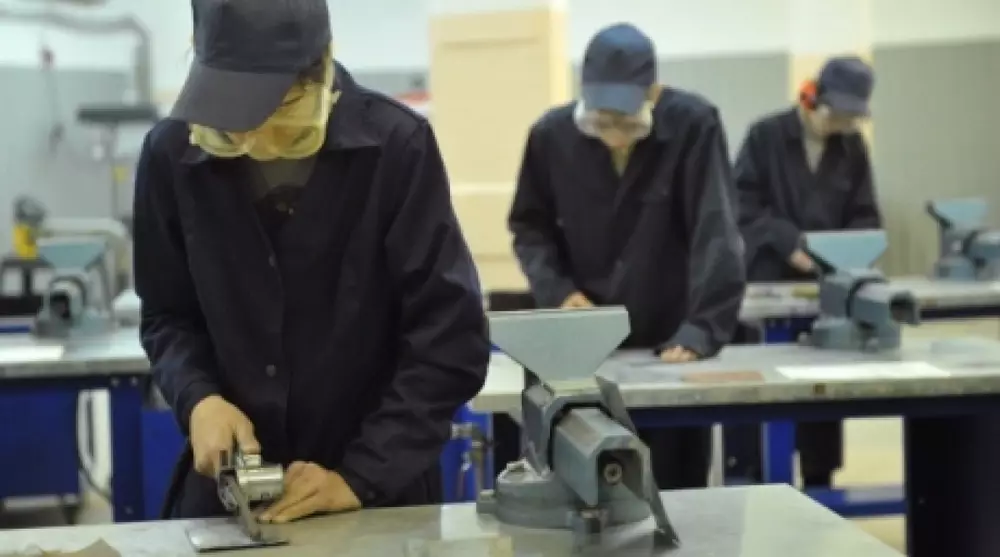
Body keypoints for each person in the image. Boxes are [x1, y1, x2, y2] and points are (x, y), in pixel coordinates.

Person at [135, 0, 489, 522]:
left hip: (375, 495)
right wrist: (198, 398)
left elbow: (450, 340)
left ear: (320, 69)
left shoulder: (396, 149)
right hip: (230, 496)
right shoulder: (172, 155)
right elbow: (168, 316)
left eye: (275, 111)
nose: (249, 138)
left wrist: (360, 476)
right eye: (230, 118)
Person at [508, 23, 746, 489]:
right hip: (584, 344)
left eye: (627, 121)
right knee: (586, 485)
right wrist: (559, 292)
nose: (615, 136)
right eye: (602, 121)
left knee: (676, 491)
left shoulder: (694, 125)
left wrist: (702, 328)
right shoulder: (551, 136)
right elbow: (530, 228)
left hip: (669, 339)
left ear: (653, 92)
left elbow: (715, 230)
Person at [730, 56, 882, 487]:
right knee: (760, 393)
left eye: (851, 120)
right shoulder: (765, 136)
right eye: (836, 116)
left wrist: (845, 254)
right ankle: (753, 477)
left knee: (821, 392)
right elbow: (743, 204)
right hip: (768, 283)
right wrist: (789, 243)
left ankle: (819, 478)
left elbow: (866, 214)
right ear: (811, 98)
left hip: (827, 290)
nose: (841, 127)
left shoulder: (851, 146)